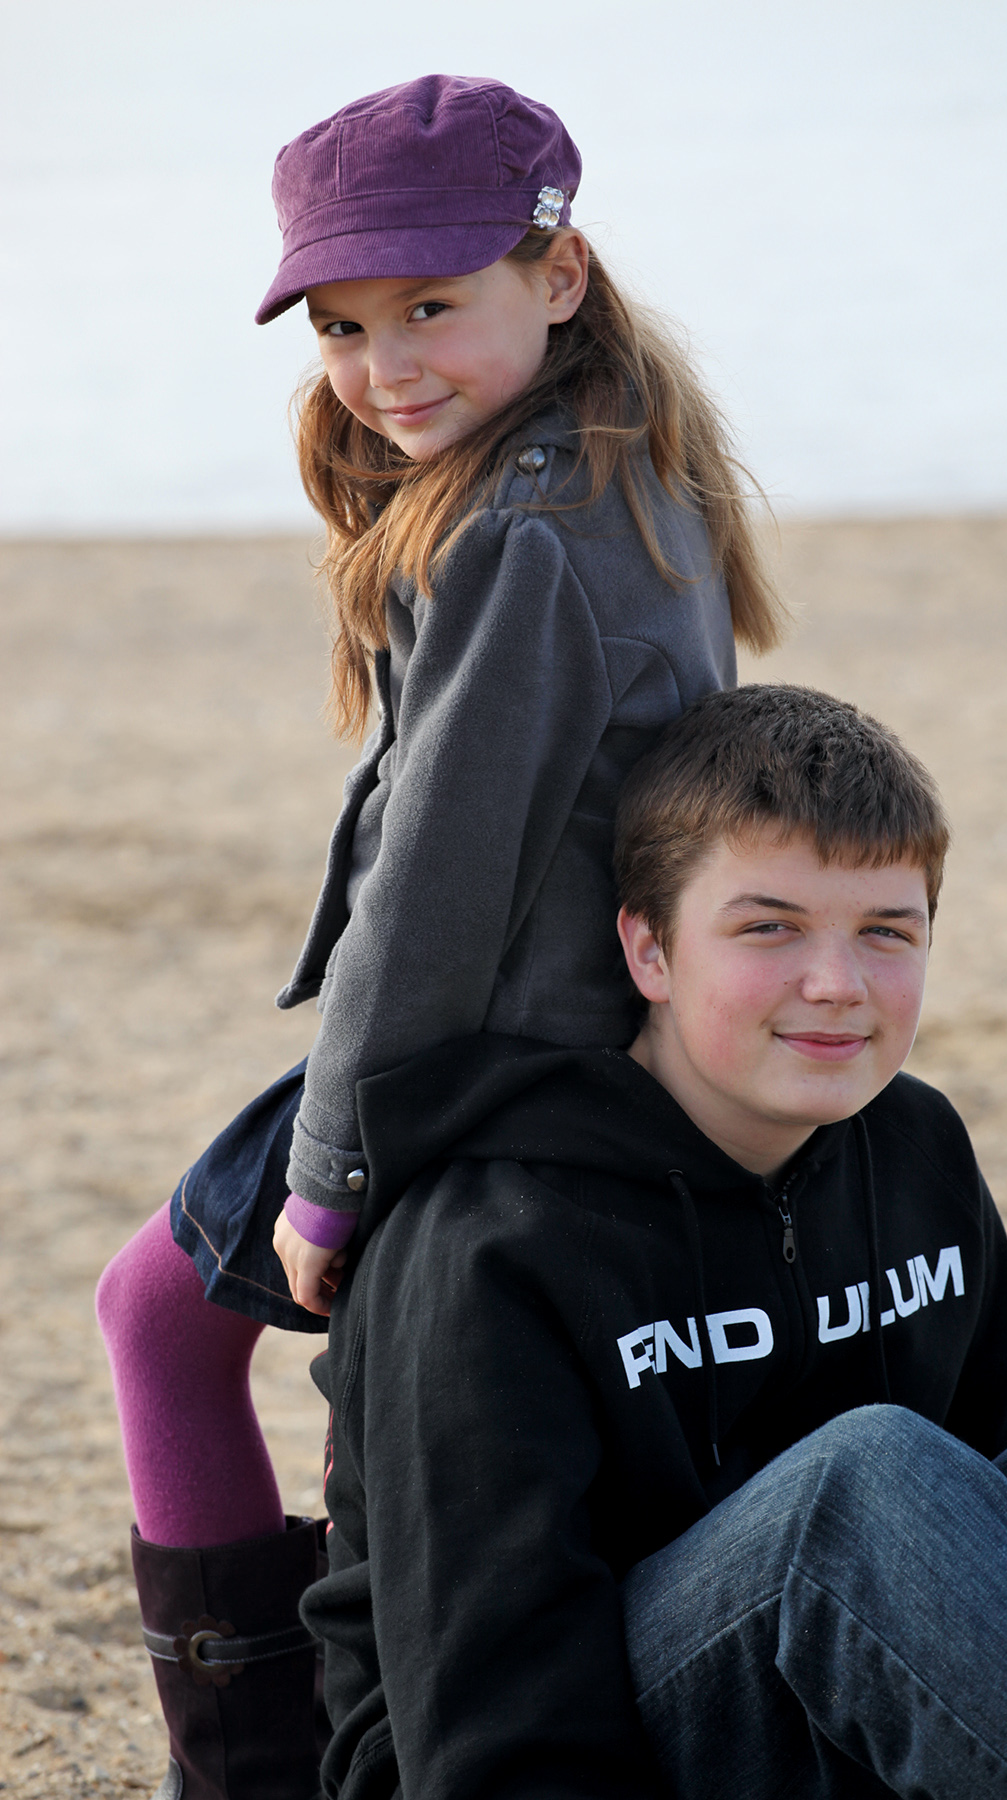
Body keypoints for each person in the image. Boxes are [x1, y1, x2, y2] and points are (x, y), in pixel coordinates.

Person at [94, 76, 783, 1800]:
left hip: (492, 1051)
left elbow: (436, 888)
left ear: (554, 274)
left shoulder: (527, 538)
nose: (383, 363)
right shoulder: (626, 459)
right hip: (551, 1024)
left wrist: (329, 1171)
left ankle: (250, 1772)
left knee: (157, 1316)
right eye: (341, 322)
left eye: (428, 306)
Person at [304, 683, 1007, 1800]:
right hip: (543, 1748)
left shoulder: (913, 1143)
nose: (836, 986)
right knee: (859, 1485)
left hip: (864, 1693)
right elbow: (486, 1719)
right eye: (767, 928)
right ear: (649, 952)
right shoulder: (490, 1242)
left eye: (885, 932)